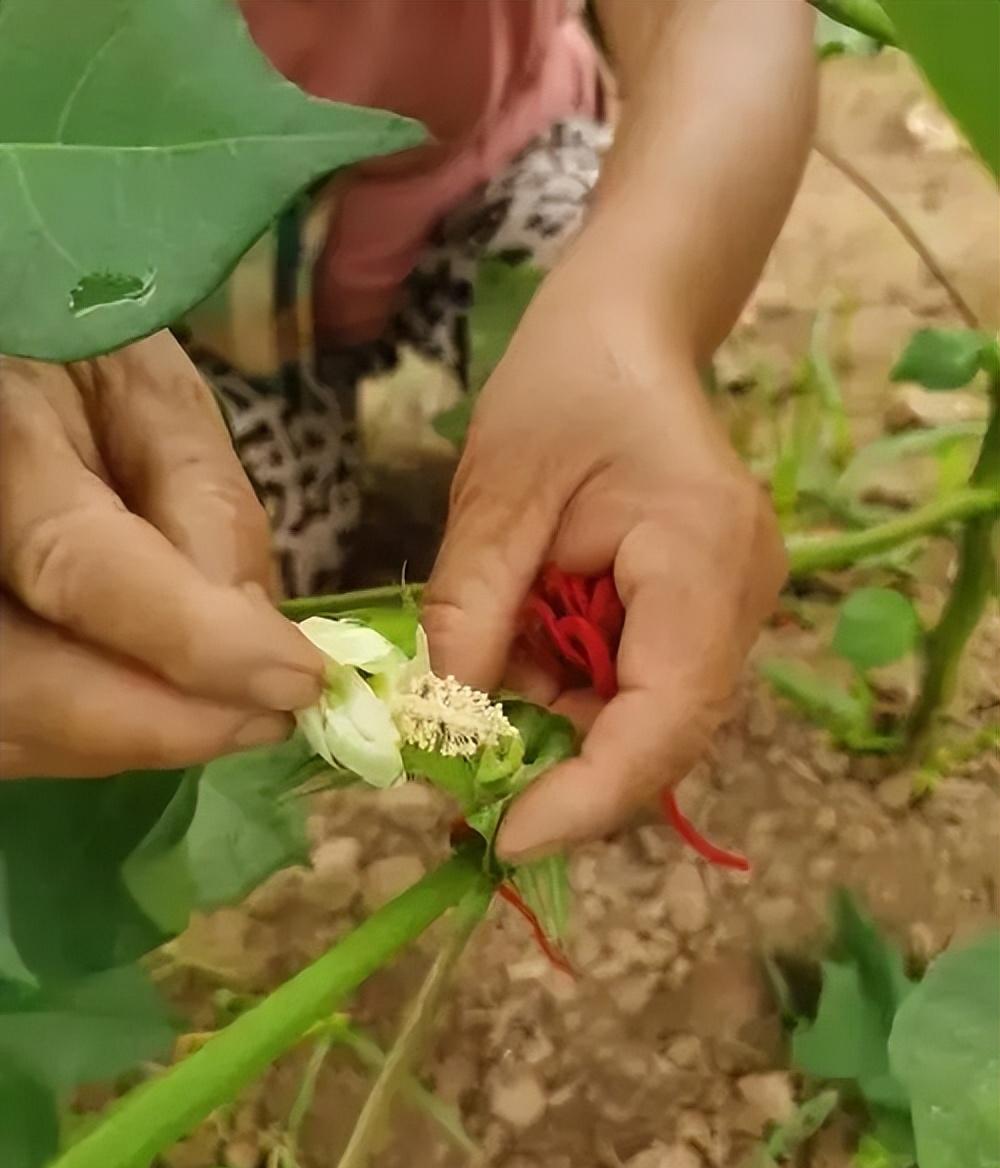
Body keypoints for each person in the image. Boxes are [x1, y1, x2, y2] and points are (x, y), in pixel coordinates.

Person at [0, 0, 816, 863]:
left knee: (605, 458)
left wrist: (640, 310)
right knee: (213, 583)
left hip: (494, 162)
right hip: (169, 298)